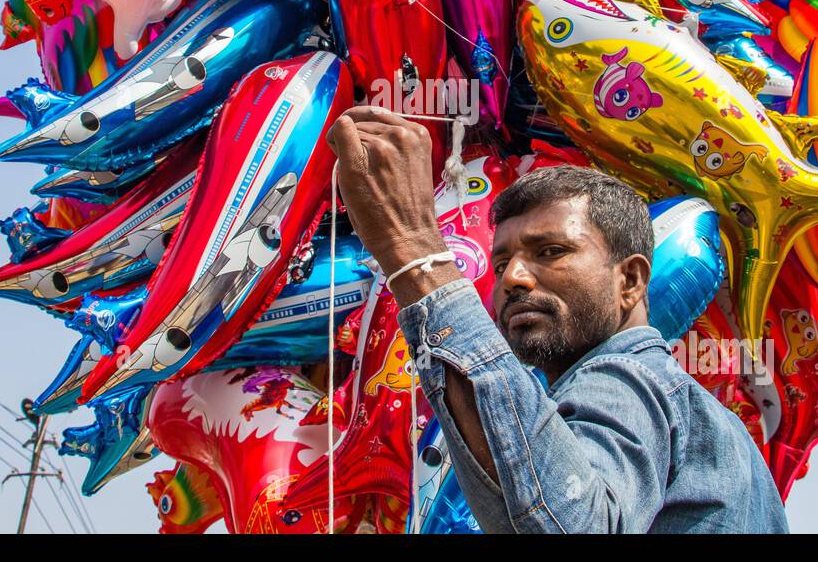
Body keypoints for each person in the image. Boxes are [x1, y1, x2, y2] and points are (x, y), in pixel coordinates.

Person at [326, 105, 789, 534]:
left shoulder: (628, 378)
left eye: (551, 252)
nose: (514, 278)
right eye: (502, 262)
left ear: (629, 279)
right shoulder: (708, 425)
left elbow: (573, 521)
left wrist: (414, 251)